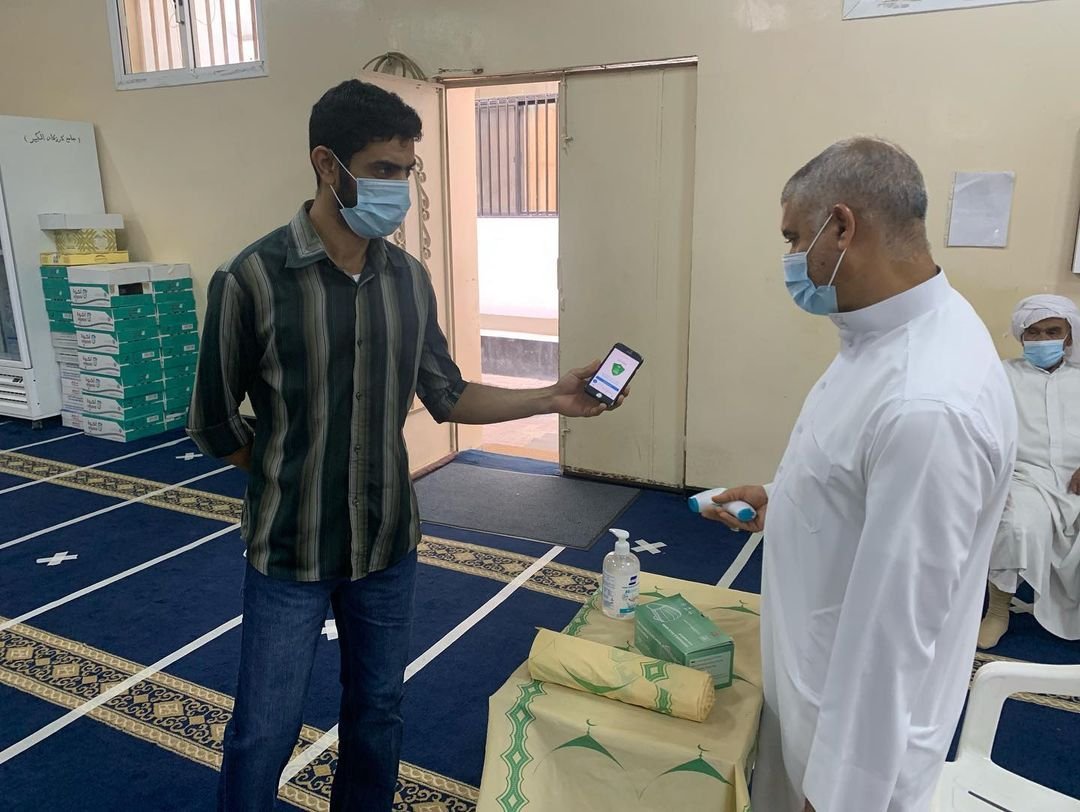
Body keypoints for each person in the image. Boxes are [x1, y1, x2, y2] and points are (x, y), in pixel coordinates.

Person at [187, 79, 626, 812]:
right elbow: (212, 420)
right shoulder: (252, 279)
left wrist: (551, 396)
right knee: (264, 730)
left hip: (387, 544)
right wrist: (283, 474)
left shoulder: (408, 281)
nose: (400, 188)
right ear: (327, 164)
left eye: (407, 170)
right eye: (383, 169)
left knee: (378, 713)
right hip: (291, 550)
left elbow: (448, 394)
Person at [703, 137, 1017, 812]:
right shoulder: (887, 336)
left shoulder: (927, 402)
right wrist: (785, 498)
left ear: (842, 227)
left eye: (795, 238)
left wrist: (838, 797)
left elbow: (893, 638)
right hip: (813, 689)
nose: (792, 258)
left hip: (850, 752)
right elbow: (863, 479)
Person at [978, 294, 1080, 650]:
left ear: (1069, 336)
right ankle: (998, 612)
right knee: (1016, 524)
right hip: (1025, 478)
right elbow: (982, 429)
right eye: (1033, 332)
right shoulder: (1001, 375)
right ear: (1021, 336)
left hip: (1075, 481)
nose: (1042, 340)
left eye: (1052, 331)